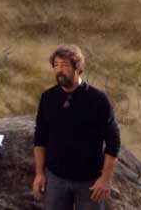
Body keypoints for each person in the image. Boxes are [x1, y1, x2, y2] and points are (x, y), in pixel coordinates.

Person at [32, 44, 121, 209]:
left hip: (89, 181)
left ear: (78, 68)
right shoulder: (48, 97)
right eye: (56, 65)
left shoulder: (98, 100)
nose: (59, 70)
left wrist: (106, 179)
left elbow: (113, 141)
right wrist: (39, 173)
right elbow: (40, 138)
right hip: (55, 179)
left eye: (64, 65)